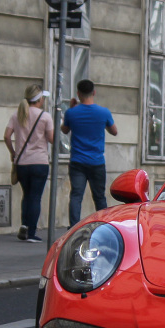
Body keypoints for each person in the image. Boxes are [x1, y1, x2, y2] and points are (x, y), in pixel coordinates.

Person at [62, 78, 118, 227]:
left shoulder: (71, 113)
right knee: (99, 197)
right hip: (97, 162)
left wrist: (71, 108)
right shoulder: (103, 112)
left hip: (77, 161)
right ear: (94, 92)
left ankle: (73, 226)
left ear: (78, 93)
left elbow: (64, 130)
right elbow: (114, 132)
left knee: (76, 195)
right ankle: (104, 226)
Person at [4, 84, 55, 242]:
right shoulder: (45, 116)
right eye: (43, 98)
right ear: (39, 99)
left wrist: (13, 153)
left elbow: (6, 136)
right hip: (39, 162)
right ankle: (31, 232)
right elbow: (53, 139)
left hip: (22, 163)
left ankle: (25, 225)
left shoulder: (17, 115)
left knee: (26, 195)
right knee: (35, 197)